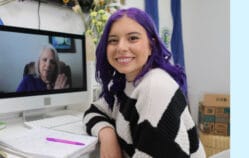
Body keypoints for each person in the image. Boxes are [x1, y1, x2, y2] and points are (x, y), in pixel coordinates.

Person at [82, 8, 204, 158]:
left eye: (133, 38)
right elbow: (93, 111)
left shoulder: (155, 87)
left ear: (151, 46)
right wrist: (107, 134)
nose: (121, 47)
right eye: (113, 40)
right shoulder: (125, 83)